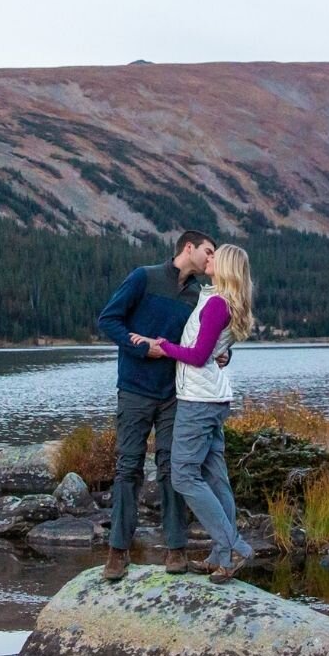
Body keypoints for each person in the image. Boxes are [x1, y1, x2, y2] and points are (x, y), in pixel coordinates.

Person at [97, 229, 221, 581]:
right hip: (134, 390)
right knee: (128, 467)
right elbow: (108, 321)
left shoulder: (198, 296)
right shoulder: (144, 278)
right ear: (189, 248)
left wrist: (221, 354)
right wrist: (141, 348)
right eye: (208, 252)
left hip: (173, 394)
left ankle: (176, 549)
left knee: (173, 468)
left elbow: (204, 339)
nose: (212, 259)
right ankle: (118, 552)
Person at [132, 243, 255, 584]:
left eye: (215, 256)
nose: (209, 258)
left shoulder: (217, 304)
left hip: (198, 401)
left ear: (226, 267)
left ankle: (235, 546)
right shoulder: (218, 298)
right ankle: (222, 555)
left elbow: (199, 355)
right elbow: (215, 350)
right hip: (213, 399)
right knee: (215, 476)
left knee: (184, 475)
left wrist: (162, 346)